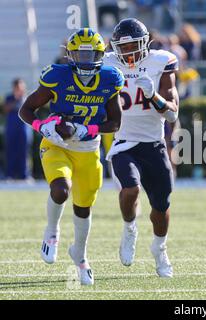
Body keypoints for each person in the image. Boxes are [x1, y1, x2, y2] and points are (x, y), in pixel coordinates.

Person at [19, 28, 124, 285]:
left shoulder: (110, 79)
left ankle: (80, 253)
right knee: (61, 189)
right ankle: (52, 231)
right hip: (58, 145)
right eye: (80, 54)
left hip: (88, 149)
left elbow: (115, 123)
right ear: (70, 55)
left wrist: (86, 129)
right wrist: (41, 126)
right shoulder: (58, 76)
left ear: (101, 54)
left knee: (83, 207)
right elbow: (27, 109)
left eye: (91, 54)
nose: (86, 60)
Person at [104, 18, 179, 277]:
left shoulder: (161, 62)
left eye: (133, 46)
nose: (128, 53)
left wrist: (153, 96)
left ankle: (160, 249)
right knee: (130, 188)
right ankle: (129, 228)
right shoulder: (107, 64)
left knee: (161, 205)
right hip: (124, 142)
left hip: (154, 144)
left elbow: (171, 115)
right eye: (122, 48)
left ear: (145, 43)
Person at [3, 79, 32, 180]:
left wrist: (22, 99)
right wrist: (16, 99)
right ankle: (9, 174)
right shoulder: (9, 97)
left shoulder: (27, 97)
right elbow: (5, 109)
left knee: (24, 151)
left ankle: (25, 175)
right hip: (11, 128)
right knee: (10, 151)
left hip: (24, 128)